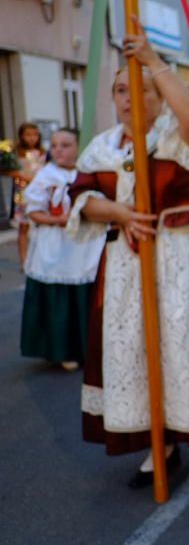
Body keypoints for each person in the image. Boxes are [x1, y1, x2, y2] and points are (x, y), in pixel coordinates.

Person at [66, 18, 189, 489]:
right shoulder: (101, 148)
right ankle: (161, 442)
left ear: (159, 95)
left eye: (142, 88)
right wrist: (117, 210)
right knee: (135, 352)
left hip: (181, 262)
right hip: (125, 269)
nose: (131, 97)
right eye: (120, 89)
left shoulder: (176, 137)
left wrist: (155, 61)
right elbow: (81, 199)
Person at [20, 128, 104, 371]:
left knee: (85, 295)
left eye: (65, 145)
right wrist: (59, 220)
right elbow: (34, 212)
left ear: (78, 147)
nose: (58, 149)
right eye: (55, 145)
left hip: (84, 245)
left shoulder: (88, 173)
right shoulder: (46, 175)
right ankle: (63, 350)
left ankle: (89, 349)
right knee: (60, 297)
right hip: (56, 246)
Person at [9, 122, 46, 268]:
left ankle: (39, 259)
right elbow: (9, 171)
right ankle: (23, 260)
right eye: (28, 135)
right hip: (22, 195)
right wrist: (19, 175)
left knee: (41, 226)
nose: (32, 138)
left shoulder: (43, 153)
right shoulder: (16, 154)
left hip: (40, 194)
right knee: (23, 227)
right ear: (21, 136)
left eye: (35, 135)